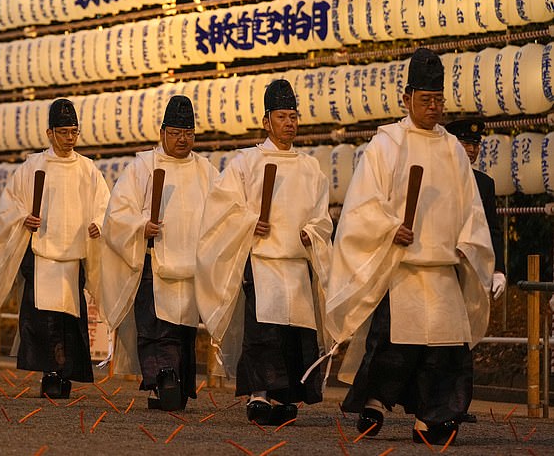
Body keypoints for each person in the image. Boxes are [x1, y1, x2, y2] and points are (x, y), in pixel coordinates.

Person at [325, 48, 494, 445]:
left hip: (441, 268)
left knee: (447, 351)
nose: (433, 107)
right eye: (425, 100)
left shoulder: (453, 148)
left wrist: (468, 244)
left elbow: (471, 207)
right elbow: (362, 204)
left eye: (439, 100)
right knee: (393, 347)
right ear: (407, 99)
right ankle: (374, 402)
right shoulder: (387, 144)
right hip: (401, 267)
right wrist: (389, 228)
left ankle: (432, 419)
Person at [196, 80, 333, 425]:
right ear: (266, 121)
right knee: (263, 332)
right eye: (282, 117)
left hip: (296, 264)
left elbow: (322, 217)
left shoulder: (309, 167)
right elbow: (222, 209)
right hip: (262, 262)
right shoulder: (246, 163)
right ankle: (259, 394)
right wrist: (249, 222)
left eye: (293, 116)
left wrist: (311, 233)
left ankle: (285, 395)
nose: (290, 123)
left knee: (293, 335)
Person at [0, 98, 109, 398]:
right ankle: (50, 374)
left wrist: (98, 223)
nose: (69, 138)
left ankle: (66, 373)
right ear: (49, 133)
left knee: (68, 322)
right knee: (44, 322)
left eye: (74, 132)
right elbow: (9, 206)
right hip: (41, 257)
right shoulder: (32, 167)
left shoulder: (88, 169)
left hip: (73, 258)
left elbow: (104, 204)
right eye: (63, 131)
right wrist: (22, 218)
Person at [101, 95, 217, 411]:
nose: (184, 139)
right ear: (163, 132)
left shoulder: (205, 170)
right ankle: (162, 378)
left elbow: (224, 212)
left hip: (190, 265)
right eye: (177, 132)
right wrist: (140, 225)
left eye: (189, 133)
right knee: (156, 324)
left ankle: (176, 384)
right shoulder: (142, 167)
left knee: (183, 329)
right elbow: (116, 214)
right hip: (155, 261)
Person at [444, 118, 507, 425]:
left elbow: (493, 231)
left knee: (464, 337)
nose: (470, 150)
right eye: (465, 143)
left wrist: (499, 270)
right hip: (441, 264)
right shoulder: (439, 176)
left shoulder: (485, 183)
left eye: (475, 145)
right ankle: (432, 401)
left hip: (471, 269)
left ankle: (459, 403)